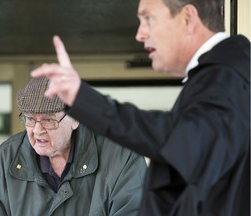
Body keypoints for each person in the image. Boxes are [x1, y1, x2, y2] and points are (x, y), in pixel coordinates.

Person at [30, 0, 250, 215]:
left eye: (148, 19)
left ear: (187, 18)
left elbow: (180, 139)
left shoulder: (226, 77)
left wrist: (83, 99)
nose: (140, 34)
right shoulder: (224, 74)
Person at [0, 76, 147, 216]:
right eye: (30, 119)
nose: (37, 130)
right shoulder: (4, 160)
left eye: (48, 120)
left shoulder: (122, 156)